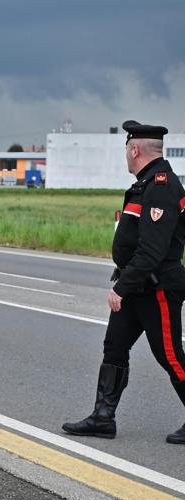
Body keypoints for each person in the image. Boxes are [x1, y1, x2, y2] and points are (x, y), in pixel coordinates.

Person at [63, 120, 185, 444]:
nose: (126, 156)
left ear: (134, 149)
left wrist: (121, 287)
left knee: (170, 356)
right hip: (137, 286)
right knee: (114, 348)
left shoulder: (161, 186)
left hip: (156, 287)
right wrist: (127, 283)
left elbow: (152, 250)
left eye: (127, 150)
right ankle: (103, 417)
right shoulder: (144, 184)